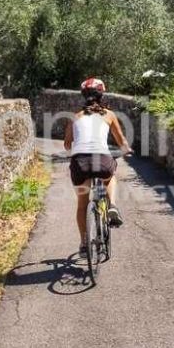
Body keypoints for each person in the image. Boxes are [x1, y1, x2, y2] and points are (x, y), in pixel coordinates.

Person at [64, 78, 133, 256]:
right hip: (102, 160)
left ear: (83, 96)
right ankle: (112, 206)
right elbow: (121, 142)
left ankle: (84, 244)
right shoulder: (109, 115)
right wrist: (126, 150)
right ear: (101, 95)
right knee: (110, 175)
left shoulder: (75, 116)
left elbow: (66, 144)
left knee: (81, 205)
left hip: (80, 163)